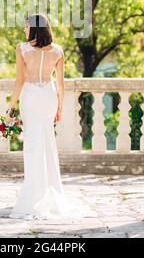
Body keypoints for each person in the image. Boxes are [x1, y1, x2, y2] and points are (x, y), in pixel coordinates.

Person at [6, 13, 88, 220]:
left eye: (26, 27)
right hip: (49, 98)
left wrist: (10, 108)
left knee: (33, 145)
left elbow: (20, 80)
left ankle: (33, 194)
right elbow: (61, 84)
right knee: (48, 143)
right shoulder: (58, 51)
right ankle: (50, 192)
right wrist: (60, 107)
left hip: (31, 97)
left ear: (33, 29)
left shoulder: (22, 49)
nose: (24, 31)